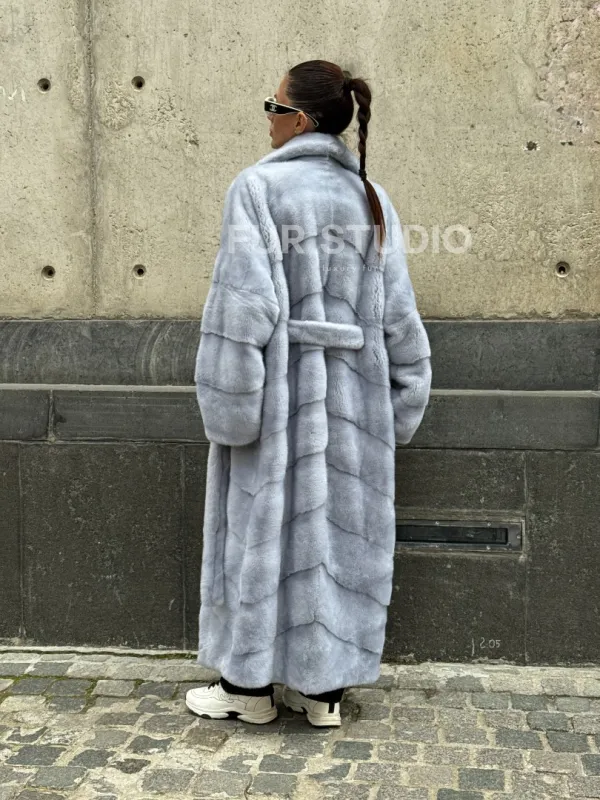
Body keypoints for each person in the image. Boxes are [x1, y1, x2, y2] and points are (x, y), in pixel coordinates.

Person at [185, 59, 432, 727]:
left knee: (262, 539)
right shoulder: (371, 197)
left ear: (299, 120)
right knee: (336, 545)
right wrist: (402, 400)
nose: (266, 118)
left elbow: (242, 309)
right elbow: (398, 313)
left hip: (277, 400)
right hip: (355, 405)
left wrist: (232, 410)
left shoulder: (257, 189)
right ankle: (322, 693)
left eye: (273, 107)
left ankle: (247, 691)